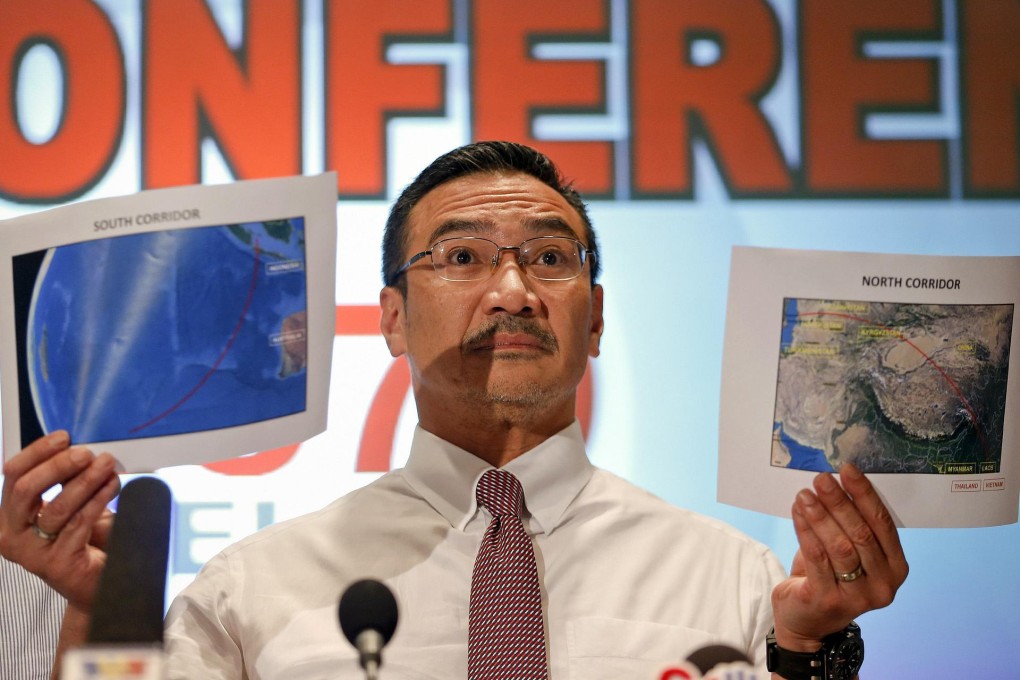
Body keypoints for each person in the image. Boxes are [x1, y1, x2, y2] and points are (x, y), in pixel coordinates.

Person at [0, 141, 908, 679]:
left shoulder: (742, 584)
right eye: (462, 258)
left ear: (595, 323)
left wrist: (805, 645)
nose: (512, 291)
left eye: (551, 260)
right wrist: (96, 614)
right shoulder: (249, 593)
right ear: (391, 318)